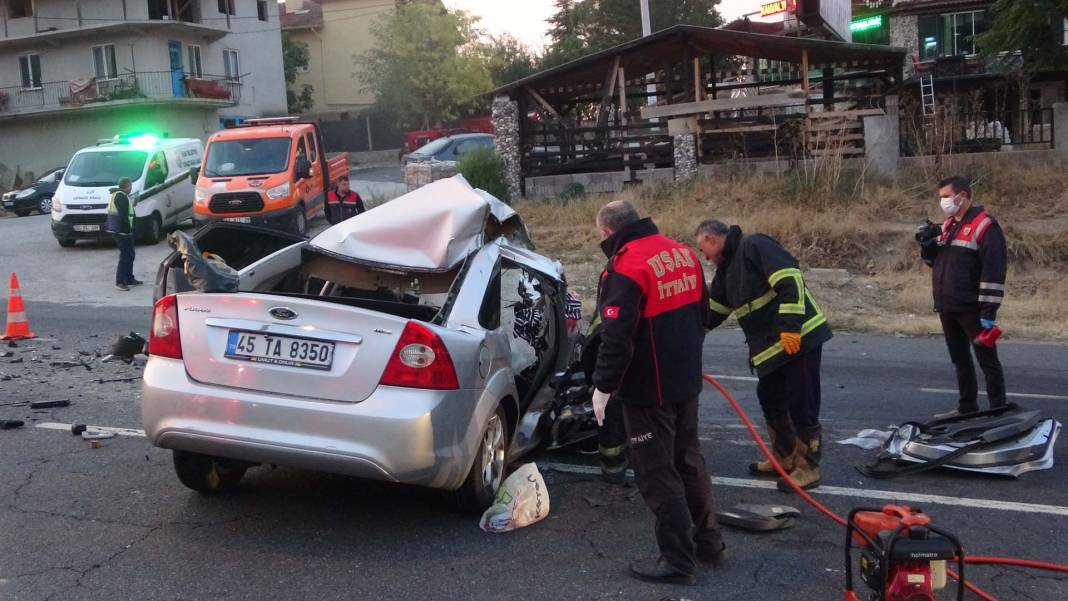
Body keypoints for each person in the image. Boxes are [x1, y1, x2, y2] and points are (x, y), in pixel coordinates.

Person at [590, 201, 724, 585]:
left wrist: (603, 386)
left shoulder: (625, 267)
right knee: (689, 461)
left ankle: (678, 562)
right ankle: (708, 542)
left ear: (607, 233)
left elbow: (616, 338)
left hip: (648, 390)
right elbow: (704, 314)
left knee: (657, 474)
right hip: (686, 381)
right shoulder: (683, 253)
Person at [695, 220, 831, 492]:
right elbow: (714, 311)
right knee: (770, 398)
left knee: (802, 402)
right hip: (771, 348)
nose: (705, 257)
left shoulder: (754, 245)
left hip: (799, 338)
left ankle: (808, 467)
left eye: (703, 250)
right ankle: (785, 456)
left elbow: (790, 280)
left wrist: (791, 328)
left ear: (711, 239)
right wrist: (688, 333)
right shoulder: (726, 271)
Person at [916, 176, 1007, 417]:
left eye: (946, 197)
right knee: (960, 359)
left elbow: (994, 270)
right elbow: (938, 264)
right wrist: (927, 247)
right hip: (947, 304)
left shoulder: (985, 226)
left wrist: (988, 311)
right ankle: (967, 407)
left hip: (972, 307)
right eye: (941, 198)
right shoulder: (948, 225)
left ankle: (998, 410)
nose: (943, 202)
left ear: (963, 196)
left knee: (987, 361)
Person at [106, 177, 140, 291]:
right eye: (130, 186)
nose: (131, 188)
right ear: (127, 186)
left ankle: (129, 278)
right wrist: (128, 230)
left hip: (121, 230)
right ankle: (120, 281)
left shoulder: (117, 195)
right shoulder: (120, 196)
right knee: (125, 256)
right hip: (122, 232)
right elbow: (124, 215)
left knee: (130, 255)